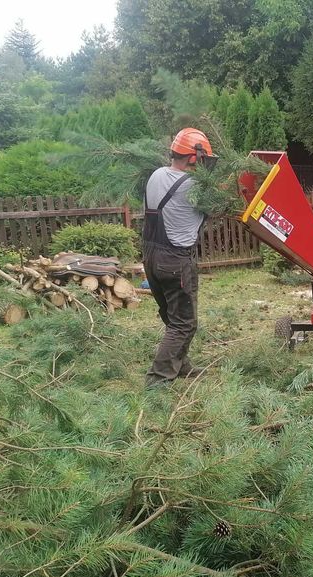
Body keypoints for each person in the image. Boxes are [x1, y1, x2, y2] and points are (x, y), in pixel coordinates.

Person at [142, 127, 212, 386]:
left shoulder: (156, 174)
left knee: (172, 316)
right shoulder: (194, 187)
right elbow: (217, 204)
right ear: (194, 158)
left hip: (151, 255)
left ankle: (181, 365)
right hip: (175, 260)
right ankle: (158, 379)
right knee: (184, 322)